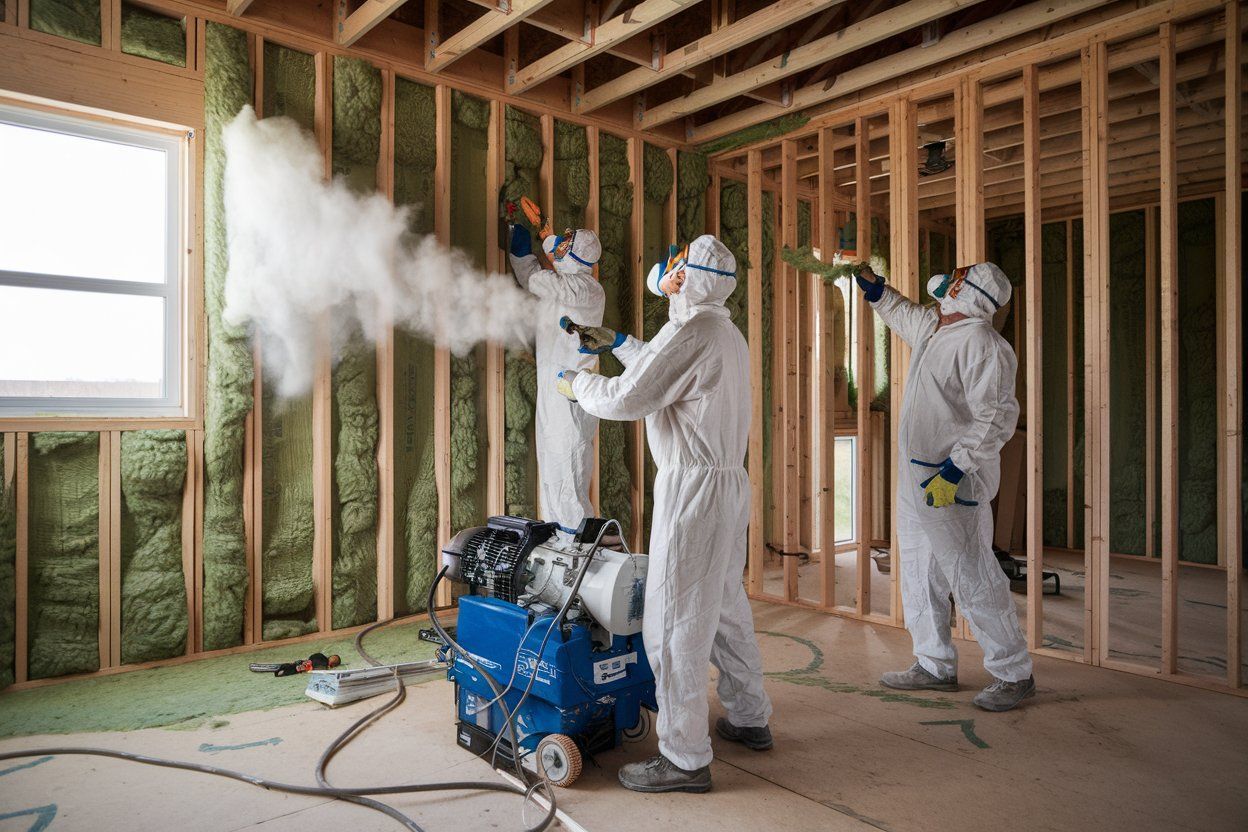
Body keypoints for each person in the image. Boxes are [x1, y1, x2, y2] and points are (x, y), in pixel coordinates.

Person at [556, 235, 773, 794]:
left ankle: (684, 758)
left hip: (692, 492)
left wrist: (577, 383)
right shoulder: (721, 329)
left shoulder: (692, 331)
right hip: (726, 486)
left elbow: (632, 397)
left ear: (688, 277)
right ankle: (750, 717)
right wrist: (621, 341)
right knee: (724, 605)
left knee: (672, 622)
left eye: (675, 266)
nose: (665, 271)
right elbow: (664, 366)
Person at [854, 261, 1035, 712]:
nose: (948, 282)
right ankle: (933, 664)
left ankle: (1013, 672)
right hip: (918, 478)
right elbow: (906, 316)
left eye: (958, 279)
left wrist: (955, 470)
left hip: (954, 481)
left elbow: (996, 417)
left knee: (972, 576)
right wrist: (878, 292)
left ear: (970, 293)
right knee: (917, 571)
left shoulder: (983, 345)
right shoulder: (939, 329)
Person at [508, 223, 604, 539]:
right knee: (551, 471)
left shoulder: (586, 290)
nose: (559, 250)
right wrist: (524, 253)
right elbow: (534, 279)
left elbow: (540, 281)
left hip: (571, 394)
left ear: (576, 256)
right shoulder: (563, 286)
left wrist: (540, 242)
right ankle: (559, 549)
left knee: (569, 472)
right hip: (554, 390)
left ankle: (579, 549)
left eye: (565, 246)